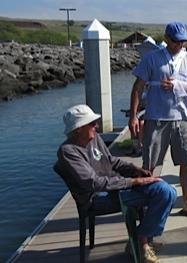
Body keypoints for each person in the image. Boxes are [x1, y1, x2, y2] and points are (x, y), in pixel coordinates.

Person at [56, 104, 176, 263]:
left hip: (115, 188)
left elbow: (112, 162)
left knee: (169, 192)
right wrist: (134, 181)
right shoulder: (68, 151)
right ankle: (142, 241)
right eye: (91, 124)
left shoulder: (94, 139)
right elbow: (94, 182)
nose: (96, 126)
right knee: (162, 192)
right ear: (78, 129)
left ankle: (143, 238)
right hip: (96, 199)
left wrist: (136, 170)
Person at [129, 22, 187, 218]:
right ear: (166, 39)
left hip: (183, 117)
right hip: (156, 118)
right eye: (175, 41)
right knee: (149, 165)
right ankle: (145, 205)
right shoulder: (152, 59)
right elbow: (138, 87)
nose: (179, 44)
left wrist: (177, 85)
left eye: (182, 41)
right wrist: (133, 116)